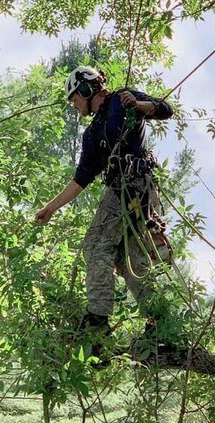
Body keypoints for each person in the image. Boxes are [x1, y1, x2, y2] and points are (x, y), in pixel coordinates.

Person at [36, 66, 174, 342]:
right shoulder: (91, 135)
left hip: (133, 186)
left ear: (86, 89)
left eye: (74, 98)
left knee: (96, 244)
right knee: (130, 260)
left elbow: (165, 108)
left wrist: (140, 105)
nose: (75, 106)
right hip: (128, 192)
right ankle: (159, 323)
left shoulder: (122, 100)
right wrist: (51, 207)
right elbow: (82, 178)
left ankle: (97, 322)